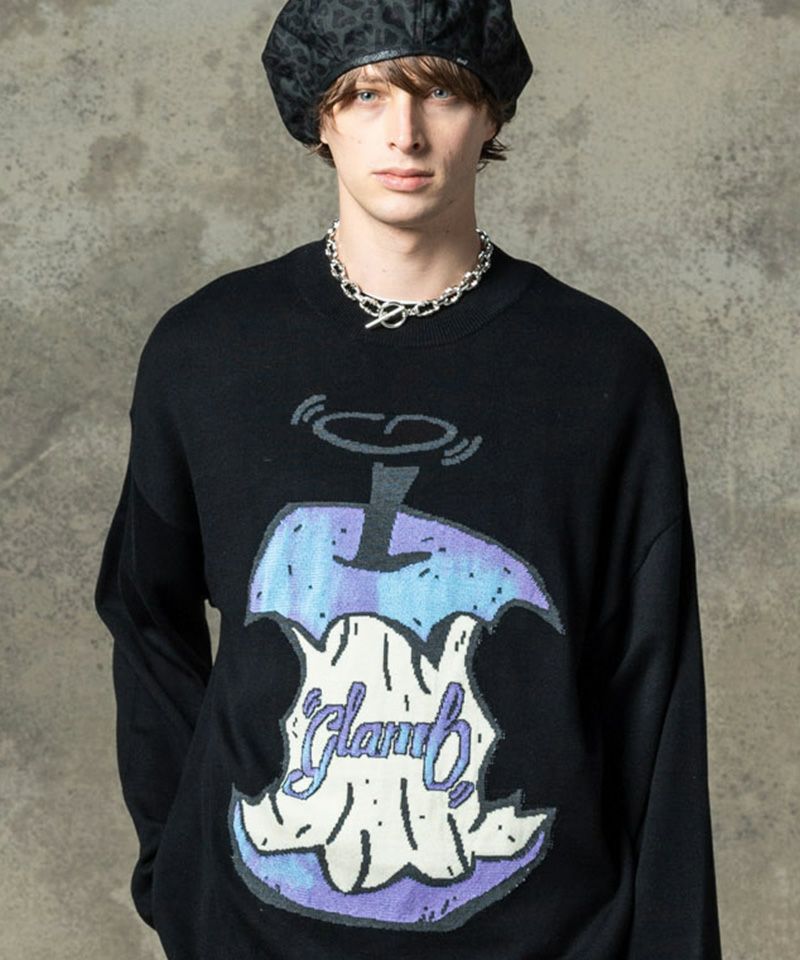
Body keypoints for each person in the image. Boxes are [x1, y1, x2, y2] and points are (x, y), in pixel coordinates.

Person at [94, 1, 723, 957]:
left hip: (550, 938)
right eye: (367, 95)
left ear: (493, 112)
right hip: (258, 937)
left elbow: (655, 684)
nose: (406, 133)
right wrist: (176, 866)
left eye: (443, 94)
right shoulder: (207, 353)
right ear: (319, 115)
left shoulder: (599, 368)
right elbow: (146, 615)